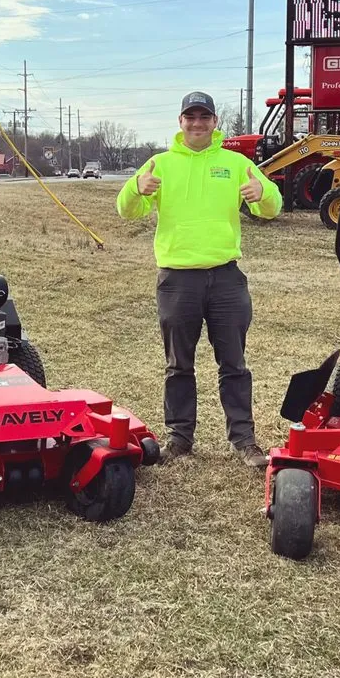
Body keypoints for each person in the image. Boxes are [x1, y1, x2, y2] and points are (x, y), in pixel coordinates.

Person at [116, 91, 282, 468]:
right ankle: (179, 438)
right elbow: (126, 210)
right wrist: (135, 189)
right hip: (177, 280)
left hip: (226, 279)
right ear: (180, 122)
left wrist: (263, 193)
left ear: (214, 122)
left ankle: (244, 440)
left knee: (234, 364)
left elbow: (271, 207)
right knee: (179, 364)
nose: (197, 123)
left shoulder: (236, 163)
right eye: (190, 117)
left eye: (204, 116)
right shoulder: (159, 164)